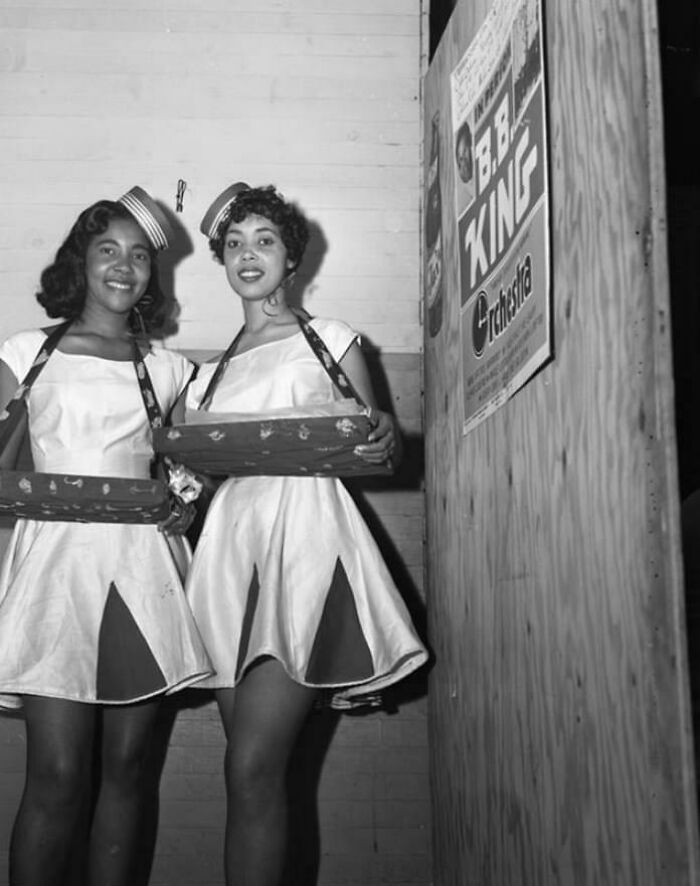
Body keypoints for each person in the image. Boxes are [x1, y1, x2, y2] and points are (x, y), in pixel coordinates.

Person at [180, 183, 428, 886]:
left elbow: (380, 446)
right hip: (229, 555)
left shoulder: (334, 339)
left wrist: (383, 434)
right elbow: (198, 476)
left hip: (306, 544)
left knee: (252, 765)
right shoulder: (206, 374)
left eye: (263, 239)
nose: (247, 254)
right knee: (247, 773)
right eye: (233, 244)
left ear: (292, 257)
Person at [0, 188, 211, 886]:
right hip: (54, 571)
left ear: (154, 273)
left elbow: (197, 470)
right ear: (80, 261)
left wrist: (186, 498)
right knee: (57, 772)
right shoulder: (26, 353)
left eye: (140, 256)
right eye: (108, 250)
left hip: (142, 571)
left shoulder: (170, 369)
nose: (124, 267)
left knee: (125, 770)